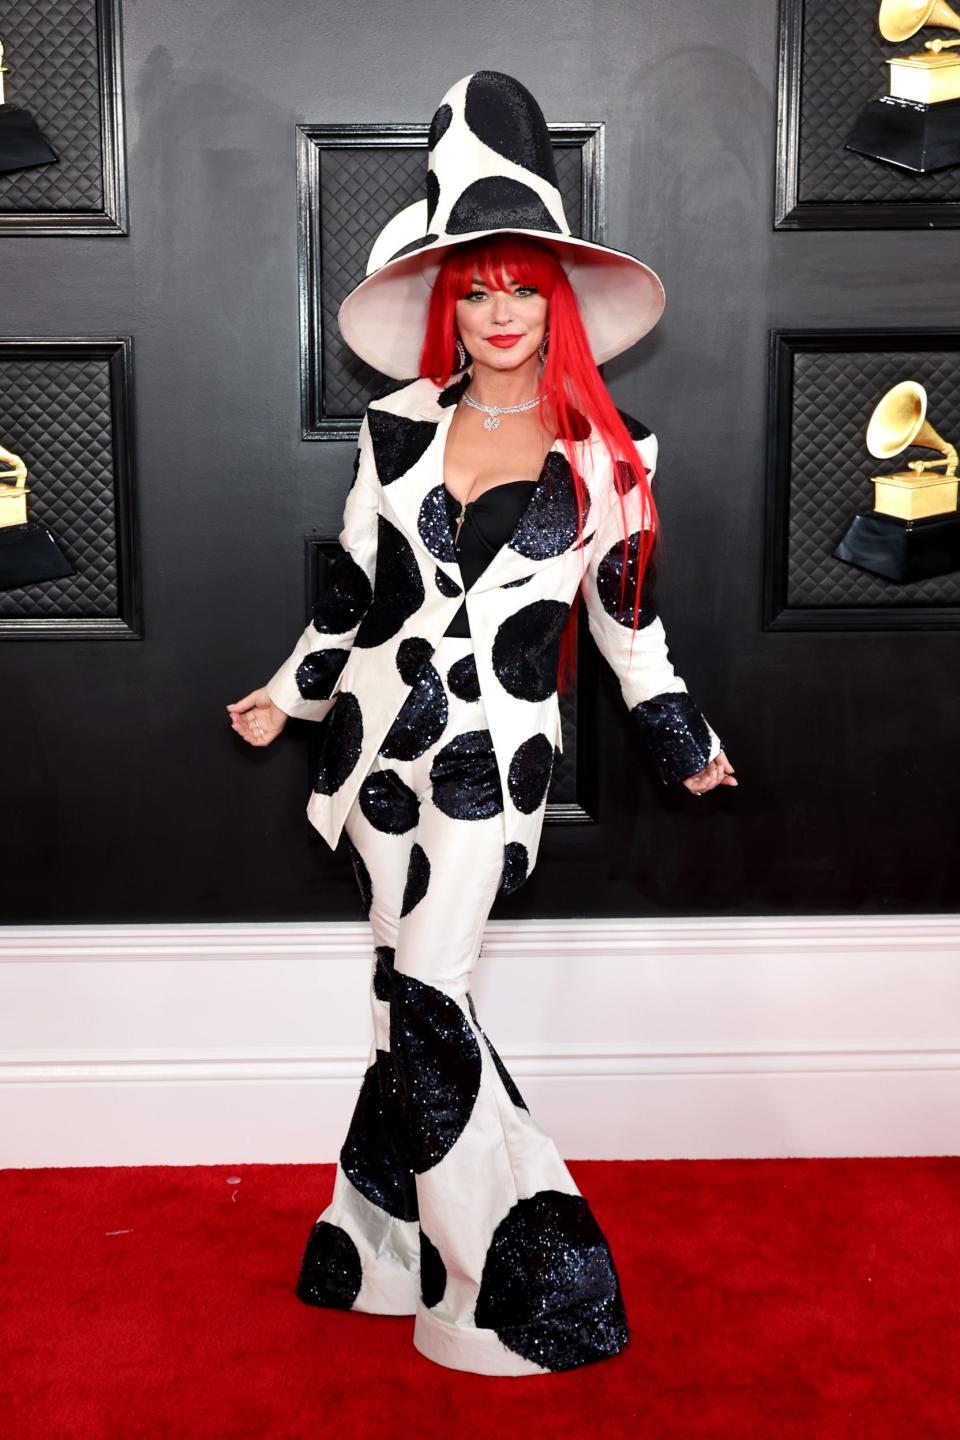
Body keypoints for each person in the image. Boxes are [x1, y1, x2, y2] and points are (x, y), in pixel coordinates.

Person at [226, 70, 736, 1378]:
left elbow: (630, 631)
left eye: (523, 286)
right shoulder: (395, 429)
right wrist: (293, 691)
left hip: (487, 781)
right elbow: (354, 590)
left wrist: (680, 736)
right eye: (478, 286)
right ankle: (380, 1247)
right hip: (371, 766)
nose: (500, 309)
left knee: (430, 994)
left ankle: (531, 1283)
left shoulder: (613, 458)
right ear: (449, 298)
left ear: (556, 300)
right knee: (401, 1005)